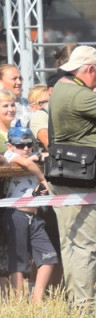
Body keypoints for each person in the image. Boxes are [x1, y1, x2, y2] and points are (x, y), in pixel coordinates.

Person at [48, 45, 96, 309]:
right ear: (90, 69)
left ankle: (77, 302)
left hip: (74, 178)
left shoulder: (64, 87)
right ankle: (84, 306)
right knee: (86, 243)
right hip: (88, 180)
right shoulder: (76, 94)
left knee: (72, 242)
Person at [2, 122, 59, 303]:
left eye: (29, 145)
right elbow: (25, 161)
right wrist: (42, 179)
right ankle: (18, 299)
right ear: (10, 146)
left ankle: (36, 299)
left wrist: (40, 157)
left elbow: (48, 155)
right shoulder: (10, 155)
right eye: (21, 145)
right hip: (15, 214)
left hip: (34, 216)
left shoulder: (31, 154)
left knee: (49, 257)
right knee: (18, 261)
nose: (26, 148)